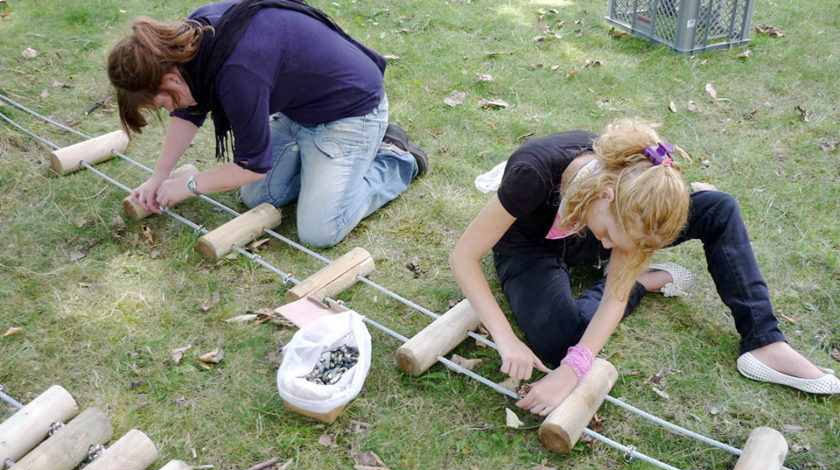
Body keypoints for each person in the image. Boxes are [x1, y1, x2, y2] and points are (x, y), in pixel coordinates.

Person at [449, 118, 840, 416]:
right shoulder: (531, 173)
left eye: (627, 248)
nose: (610, 249)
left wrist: (574, 370)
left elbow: (613, 281)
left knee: (719, 207)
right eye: (613, 239)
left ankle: (765, 342)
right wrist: (505, 337)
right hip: (532, 247)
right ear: (604, 196)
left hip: (609, 223)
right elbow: (463, 257)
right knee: (559, 340)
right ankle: (646, 281)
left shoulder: (629, 197)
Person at [108, 0, 427, 248]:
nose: (170, 109)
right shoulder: (187, 47)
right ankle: (324, 167)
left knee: (320, 229)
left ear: (170, 78)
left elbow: (251, 165)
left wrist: (188, 186)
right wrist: (159, 177)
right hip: (298, 109)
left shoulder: (236, 72)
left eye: (164, 103)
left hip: (351, 112)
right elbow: (190, 111)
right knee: (260, 198)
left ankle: (394, 156)